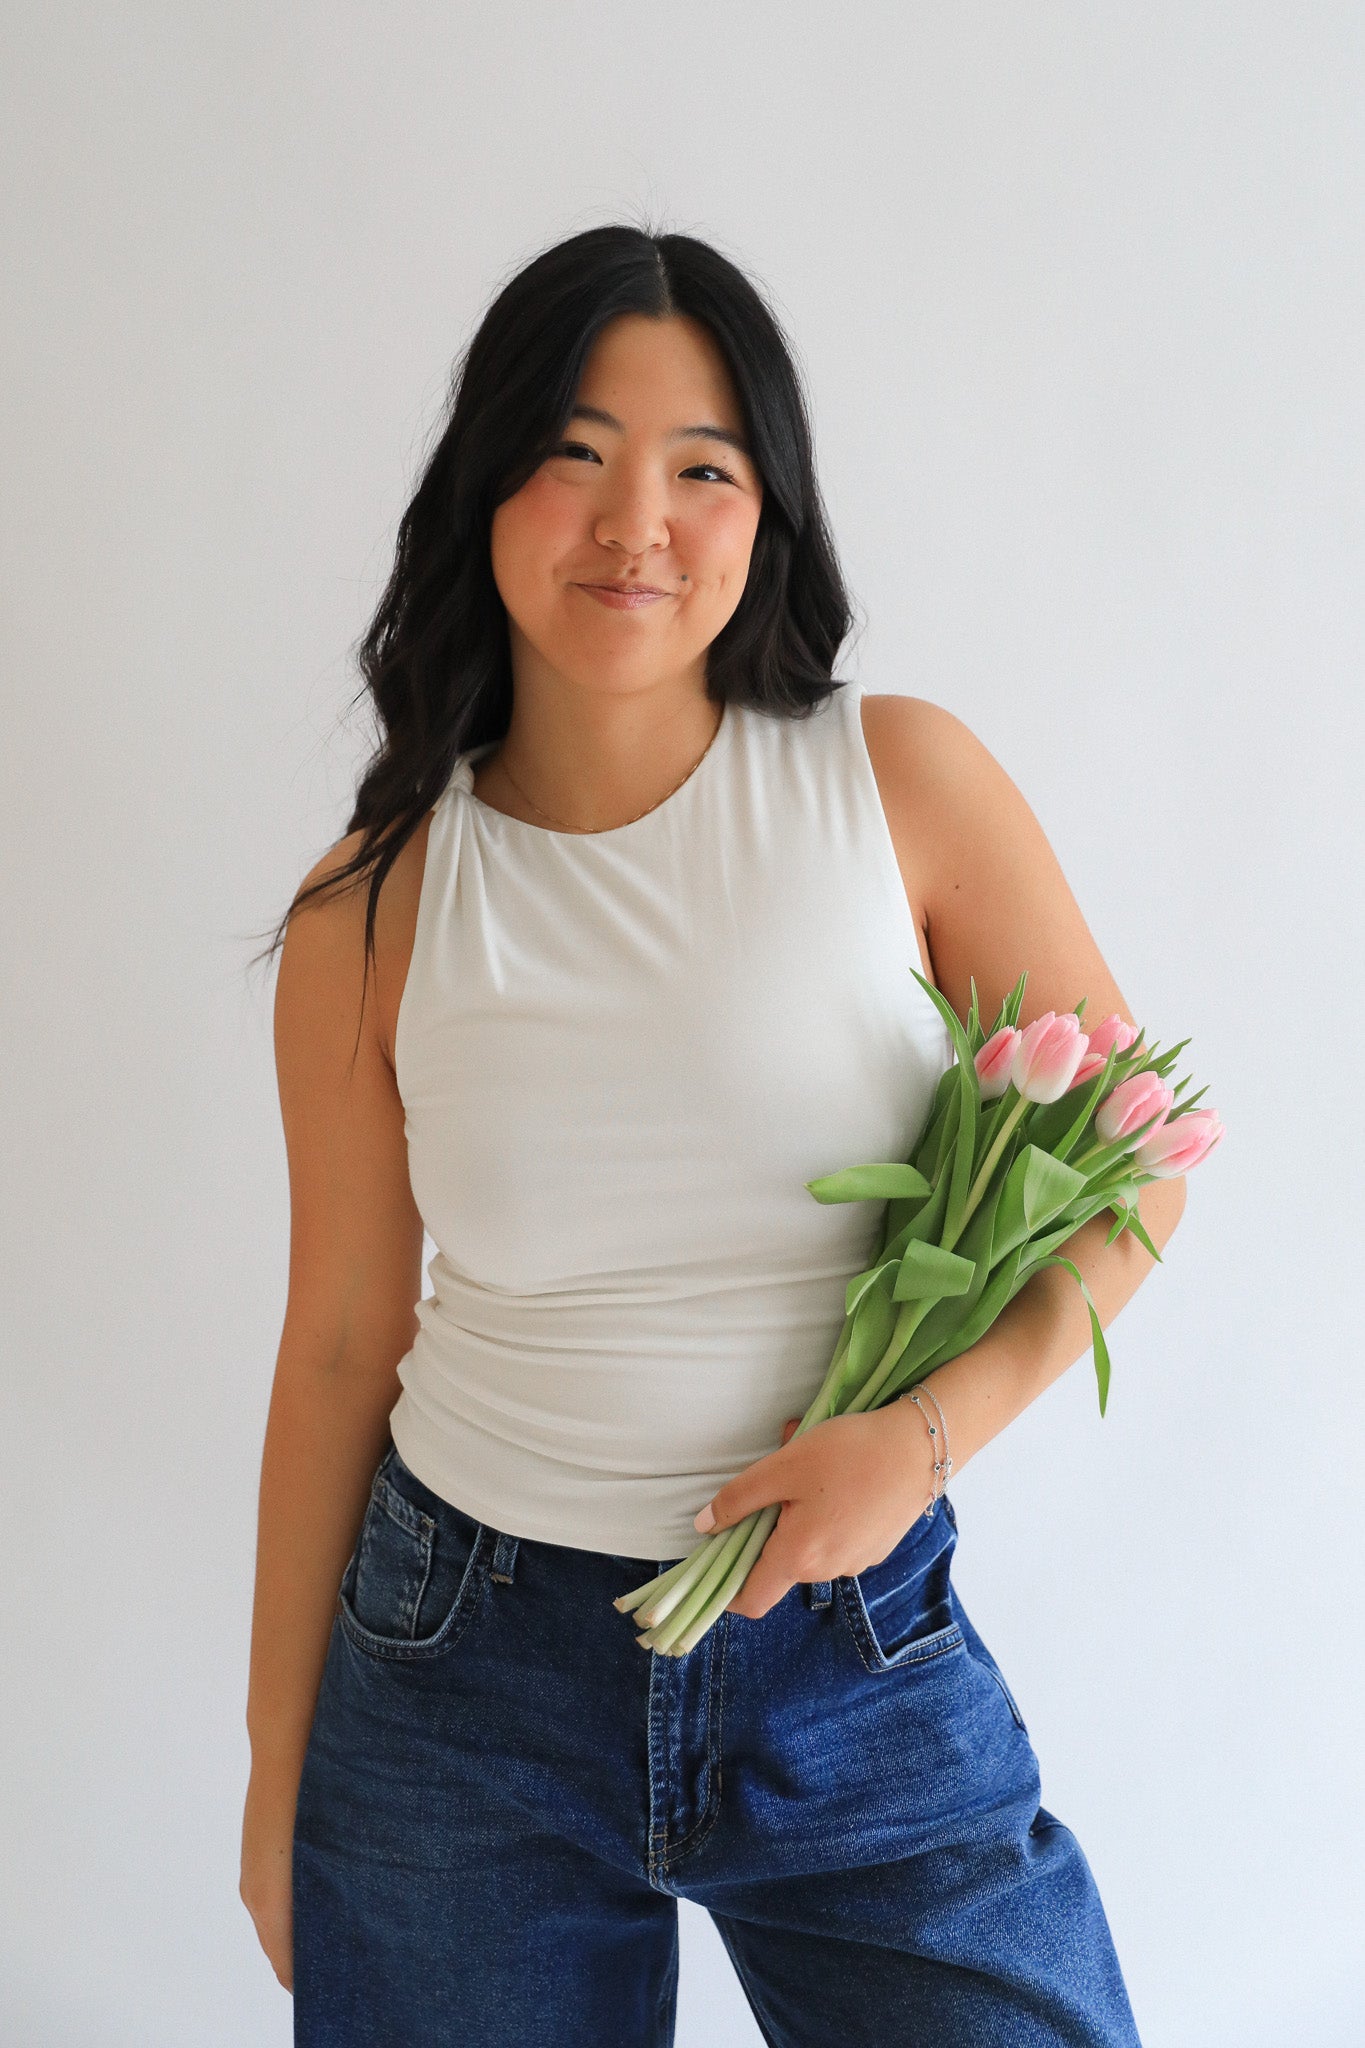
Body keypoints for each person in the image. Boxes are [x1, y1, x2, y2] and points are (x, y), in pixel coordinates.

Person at [240, 222, 1181, 2045]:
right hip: (457, 1676)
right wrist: (278, 1763)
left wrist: (922, 1437)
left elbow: (1127, 1175)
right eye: (574, 454)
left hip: (850, 1650)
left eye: (702, 468)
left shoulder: (892, 782)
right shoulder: (372, 907)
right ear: (485, 486)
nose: (635, 524)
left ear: (768, 511)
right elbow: (343, 1338)